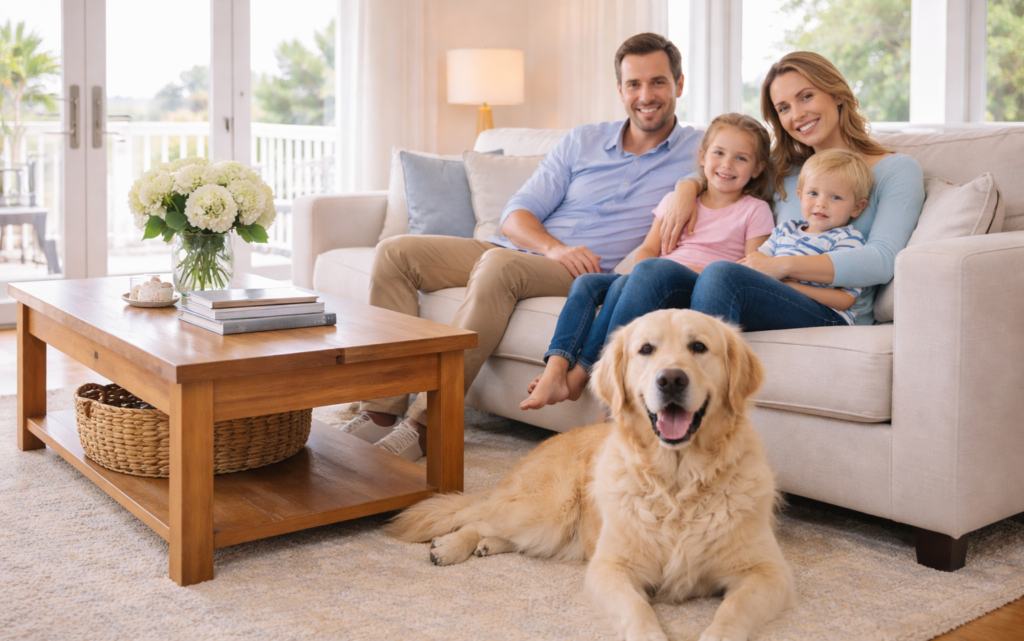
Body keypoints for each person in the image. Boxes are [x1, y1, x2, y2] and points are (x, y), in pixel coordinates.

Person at [341, 32, 704, 461]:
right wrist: (553, 247)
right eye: (634, 84)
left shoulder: (698, 150)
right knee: (397, 253)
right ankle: (382, 410)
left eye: (658, 82)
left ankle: (428, 422)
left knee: (499, 266)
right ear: (620, 90)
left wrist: (690, 183)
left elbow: (745, 166)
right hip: (537, 252)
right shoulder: (583, 140)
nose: (646, 95)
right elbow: (516, 215)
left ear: (679, 85)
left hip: (583, 273)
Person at [591, 51, 924, 345]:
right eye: (783, 108)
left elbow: (882, 260)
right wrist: (687, 188)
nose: (797, 114)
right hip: (769, 293)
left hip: (828, 309)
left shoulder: (896, 170)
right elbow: (724, 175)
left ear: (837, 94)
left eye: (806, 96)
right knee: (653, 271)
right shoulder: (785, 169)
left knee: (722, 273)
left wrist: (780, 265)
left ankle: (703, 404)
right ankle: (618, 403)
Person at [519, 113, 776, 411]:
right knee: (587, 283)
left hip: (691, 284)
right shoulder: (676, 201)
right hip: (651, 276)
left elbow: (747, 270)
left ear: (758, 168)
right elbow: (649, 248)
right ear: (703, 156)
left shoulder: (755, 211)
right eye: (719, 153)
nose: (727, 164)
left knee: (641, 277)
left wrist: (661, 270)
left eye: (741, 158)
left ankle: (581, 375)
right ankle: (556, 368)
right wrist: (641, 270)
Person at [751, 148, 872, 326]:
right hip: (779, 303)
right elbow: (759, 258)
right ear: (800, 196)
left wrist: (791, 288)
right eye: (813, 193)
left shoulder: (847, 239)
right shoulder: (786, 229)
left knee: (724, 277)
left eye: (835, 197)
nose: (821, 203)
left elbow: (846, 299)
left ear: (857, 207)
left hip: (827, 315)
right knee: (717, 274)